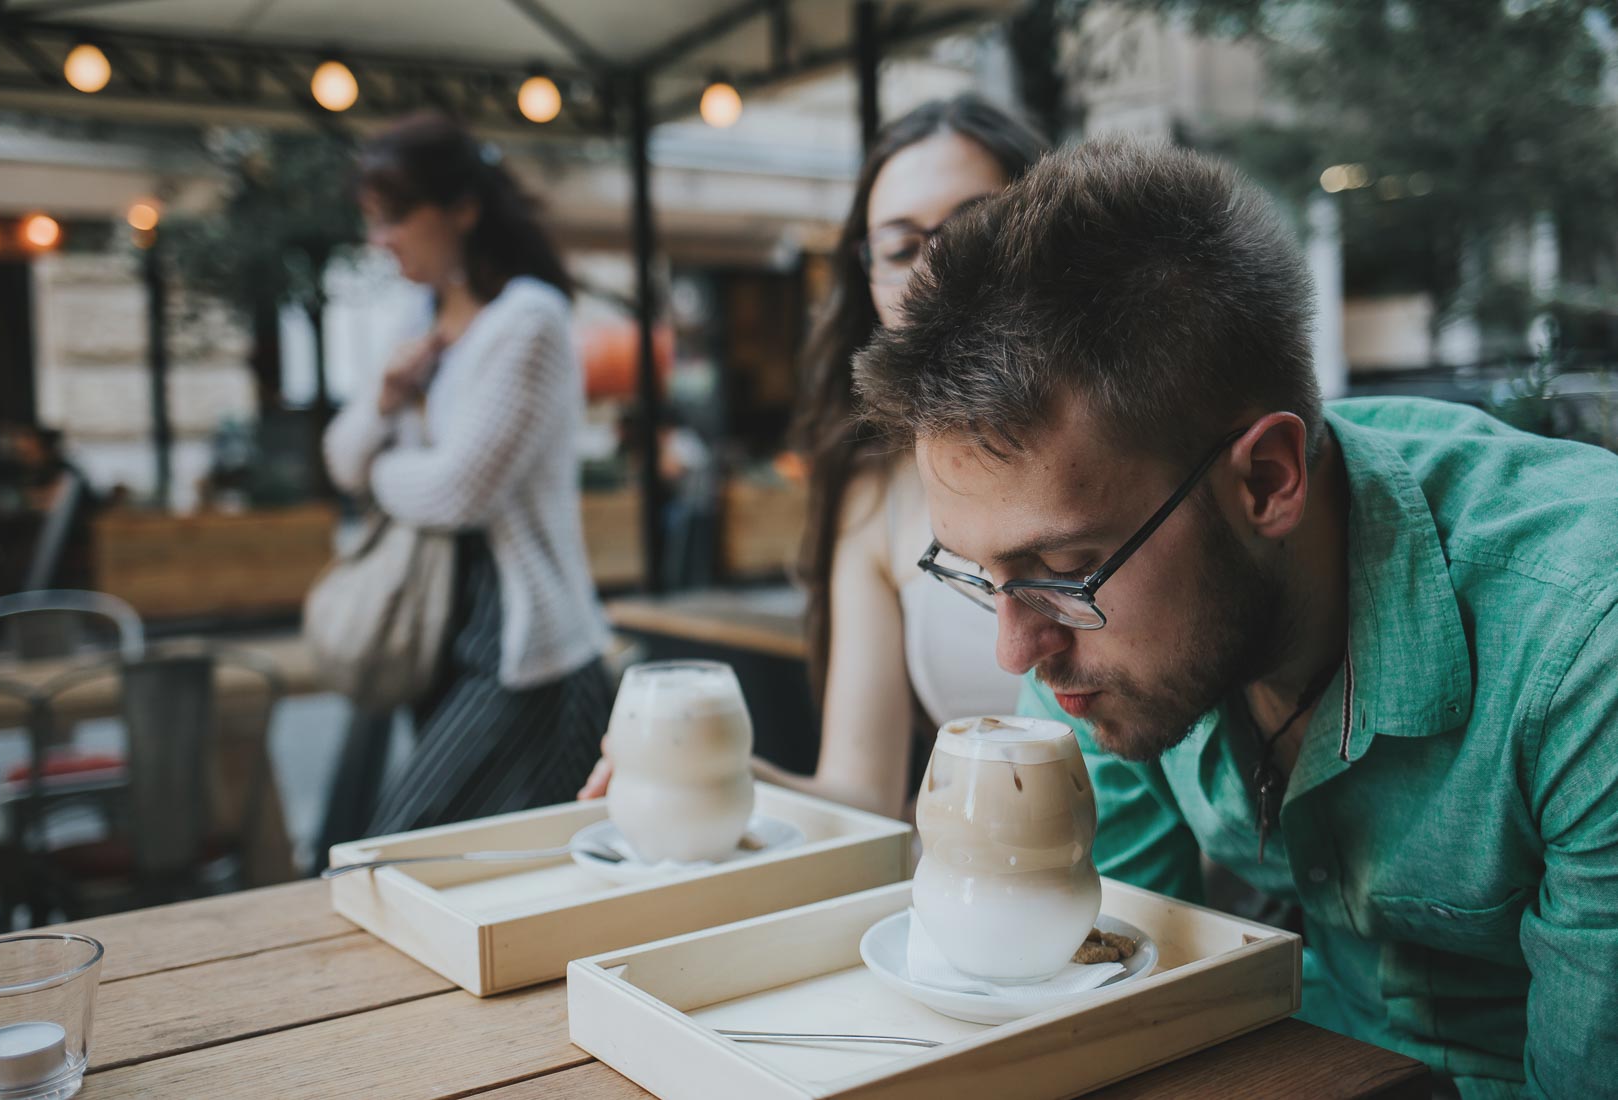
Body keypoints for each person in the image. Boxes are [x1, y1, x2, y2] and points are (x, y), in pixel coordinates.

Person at [851, 135, 1618, 1097]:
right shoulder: (1085, 645)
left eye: (1066, 570)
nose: (1017, 649)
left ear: (1266, 480)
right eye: (981, 575)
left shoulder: (1584, 646)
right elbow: (1122, 1014)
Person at [579, 96, 1047, 817]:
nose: (936, 269)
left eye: (974, 229)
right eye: (901, 248)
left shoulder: (1136, 433)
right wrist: (716, 774)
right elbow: (860, 798)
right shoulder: (875, 492)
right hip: (985, 872)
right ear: (867, 280)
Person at [323, 112, 612, 833]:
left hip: (520, 642)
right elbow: (339, 459)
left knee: (401, 844)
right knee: (501, 861)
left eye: (395, 217)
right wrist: (387, 397)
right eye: (373, 220)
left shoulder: (528, 320)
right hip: (434, 628)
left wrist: (380, 469)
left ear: (462, 209)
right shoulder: (414, 320)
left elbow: (459, 493)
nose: (380, 239)